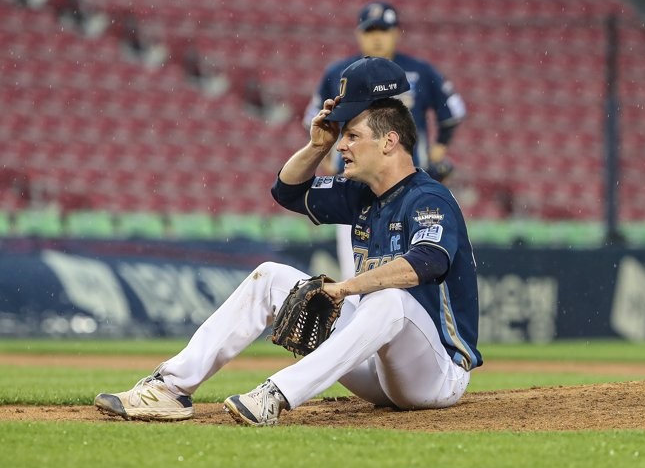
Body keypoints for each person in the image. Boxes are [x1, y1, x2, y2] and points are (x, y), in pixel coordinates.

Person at [94, 57, 482, 425]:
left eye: (351, 135)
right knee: (270, 277)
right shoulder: (362, 194)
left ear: (389, 141)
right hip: (377, 370)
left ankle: (275, 395)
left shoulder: (428, 198)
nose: (341, 145)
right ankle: (171, 388)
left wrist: (346, 289)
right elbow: (288, 192)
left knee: (389, 299)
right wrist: (317, 146)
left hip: (435, 373)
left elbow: (428, 261)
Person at [305, 0, 467, 282]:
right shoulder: (339, 73)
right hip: (358, 189)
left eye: (384, 30)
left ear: (396, 33)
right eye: (371, 31)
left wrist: (438, 152)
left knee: (411, 271)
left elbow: (452, 112)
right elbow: (315, 119)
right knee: (356, 275)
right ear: (359, 34)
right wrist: (330, 158)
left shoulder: (420, 71)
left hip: (410, 186)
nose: (377, 37)